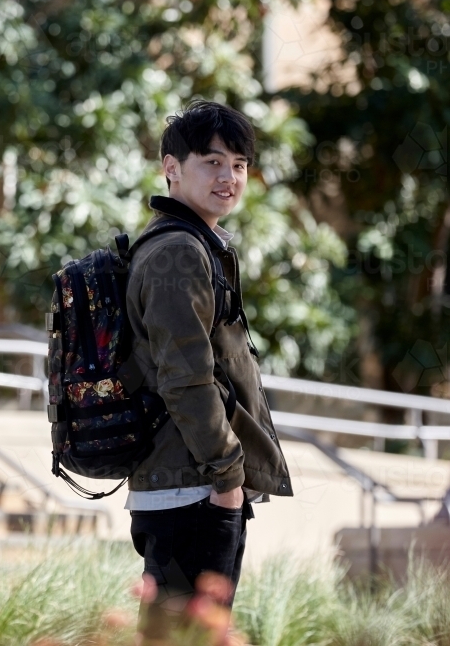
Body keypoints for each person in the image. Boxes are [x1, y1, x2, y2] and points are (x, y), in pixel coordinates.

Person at [116, 99, 293, 640]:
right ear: (171, 168)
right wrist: (227, 477)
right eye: (212, 162)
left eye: (238, 165)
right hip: (193, 488)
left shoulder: (189, 245)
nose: (229, 177)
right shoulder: (179, 253)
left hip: (186, 486)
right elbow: (185, 377)